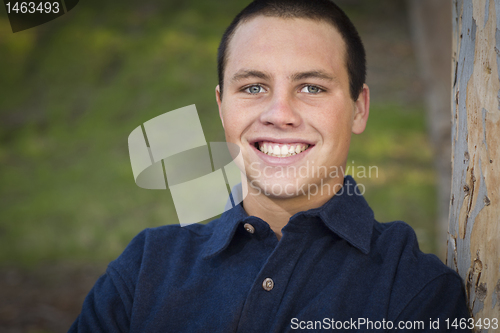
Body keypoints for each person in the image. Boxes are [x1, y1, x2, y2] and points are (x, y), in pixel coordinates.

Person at [69, 0, 470, 332]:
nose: (280, 114)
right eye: (253, 87)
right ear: (222, 106)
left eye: (311, 87)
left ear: (358, 109)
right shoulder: (144, 271)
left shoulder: (416, 290)